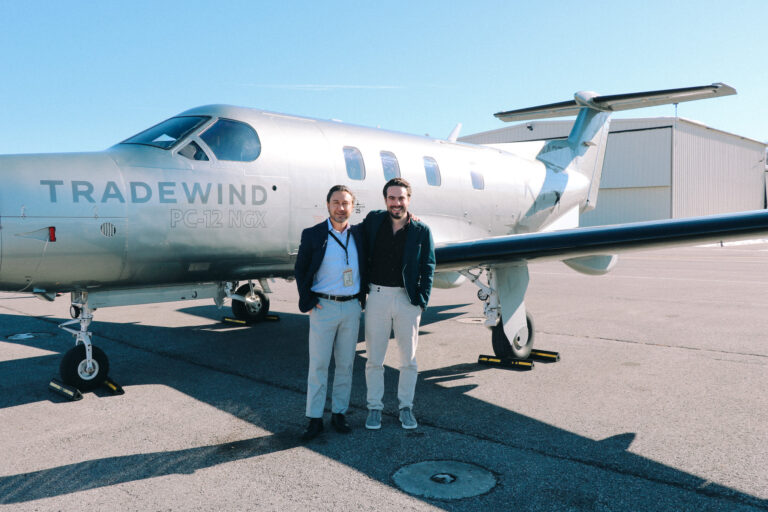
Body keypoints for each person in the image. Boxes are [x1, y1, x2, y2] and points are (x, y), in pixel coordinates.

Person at [361, 177, 435, 430]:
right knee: (374, 359)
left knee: (408, 360)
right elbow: (353, 235)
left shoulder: (421, 230)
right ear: (385, 200)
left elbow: (429, 265)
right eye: (392, 198)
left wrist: (421, 300)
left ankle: (405, 408)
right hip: (378, 297)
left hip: (407, 300)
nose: (396, 203)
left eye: (401, 198)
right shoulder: (373, 221)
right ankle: (374, 408)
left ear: (408, 200)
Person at [294, 185, 366, 441]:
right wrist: (309, 299)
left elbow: (384, 220)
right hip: (323, 307)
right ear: (327, 205)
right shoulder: (313, 234)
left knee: (346, 365)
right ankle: (314, 419)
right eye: (336, 202)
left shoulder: (359, 235)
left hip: (351, 307)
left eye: (345, 203)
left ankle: (339, 413)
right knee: (319, 365)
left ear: (352, 207)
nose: (340, 207)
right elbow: (300, 270)